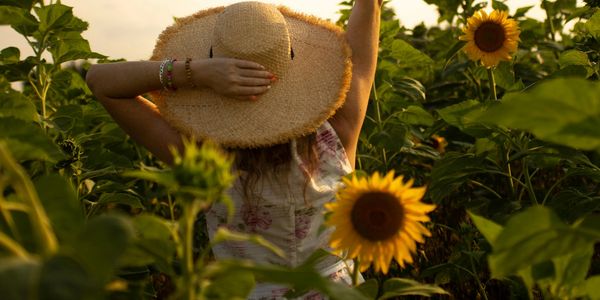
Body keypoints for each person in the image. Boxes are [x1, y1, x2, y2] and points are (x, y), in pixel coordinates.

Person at [86, 1, 381, 298]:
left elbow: (100, 81)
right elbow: (361, 56)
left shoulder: (203, 156)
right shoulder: (336, 135)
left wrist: (195, 72)